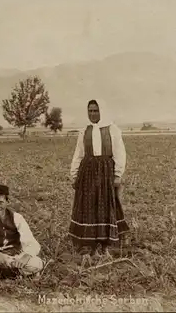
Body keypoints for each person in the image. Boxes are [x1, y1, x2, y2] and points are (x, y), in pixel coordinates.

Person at [68, 99, 129, 256]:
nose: (92, 114)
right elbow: (78, 154)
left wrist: (117, 175)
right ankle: (88, 241)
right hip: (87, 172)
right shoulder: (84, 131)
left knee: (105, 203)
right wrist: (74, 175)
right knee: (88, 204)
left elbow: (119, 153)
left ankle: (107, 240)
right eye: (90, 111)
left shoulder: (112, 129)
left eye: (96, 111)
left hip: (105, 172)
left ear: (102, 111)